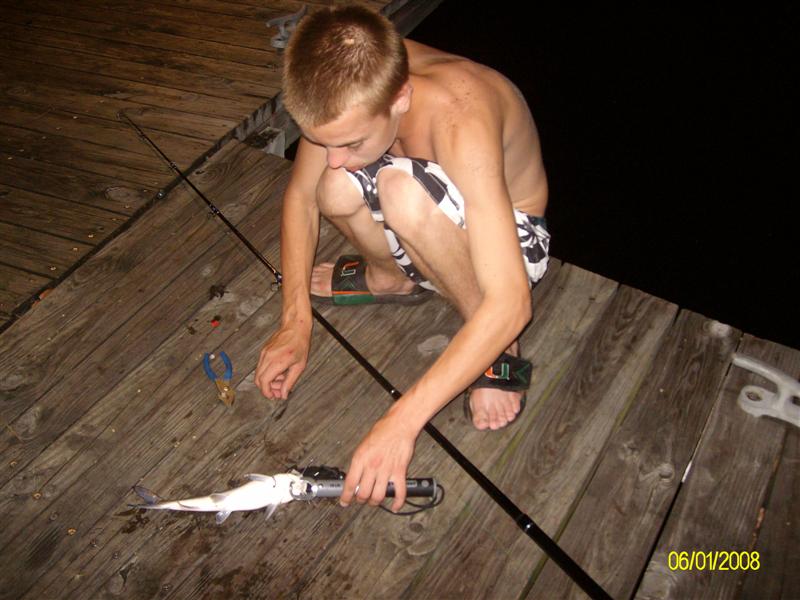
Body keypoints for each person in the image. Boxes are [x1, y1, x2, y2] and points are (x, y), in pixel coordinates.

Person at [255, 5, 550, 512]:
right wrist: (294, 323)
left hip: (511, 244)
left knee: (401, 190)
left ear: (401, 99)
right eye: (323, 140)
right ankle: (391, 277)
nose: (334, 153)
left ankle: (500, 352)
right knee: (333, 187)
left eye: (348, 142)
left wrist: (400, 423)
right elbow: (302, 198)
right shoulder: (346, 87)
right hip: (420, 183)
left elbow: (512, 301)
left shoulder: (462, 116)